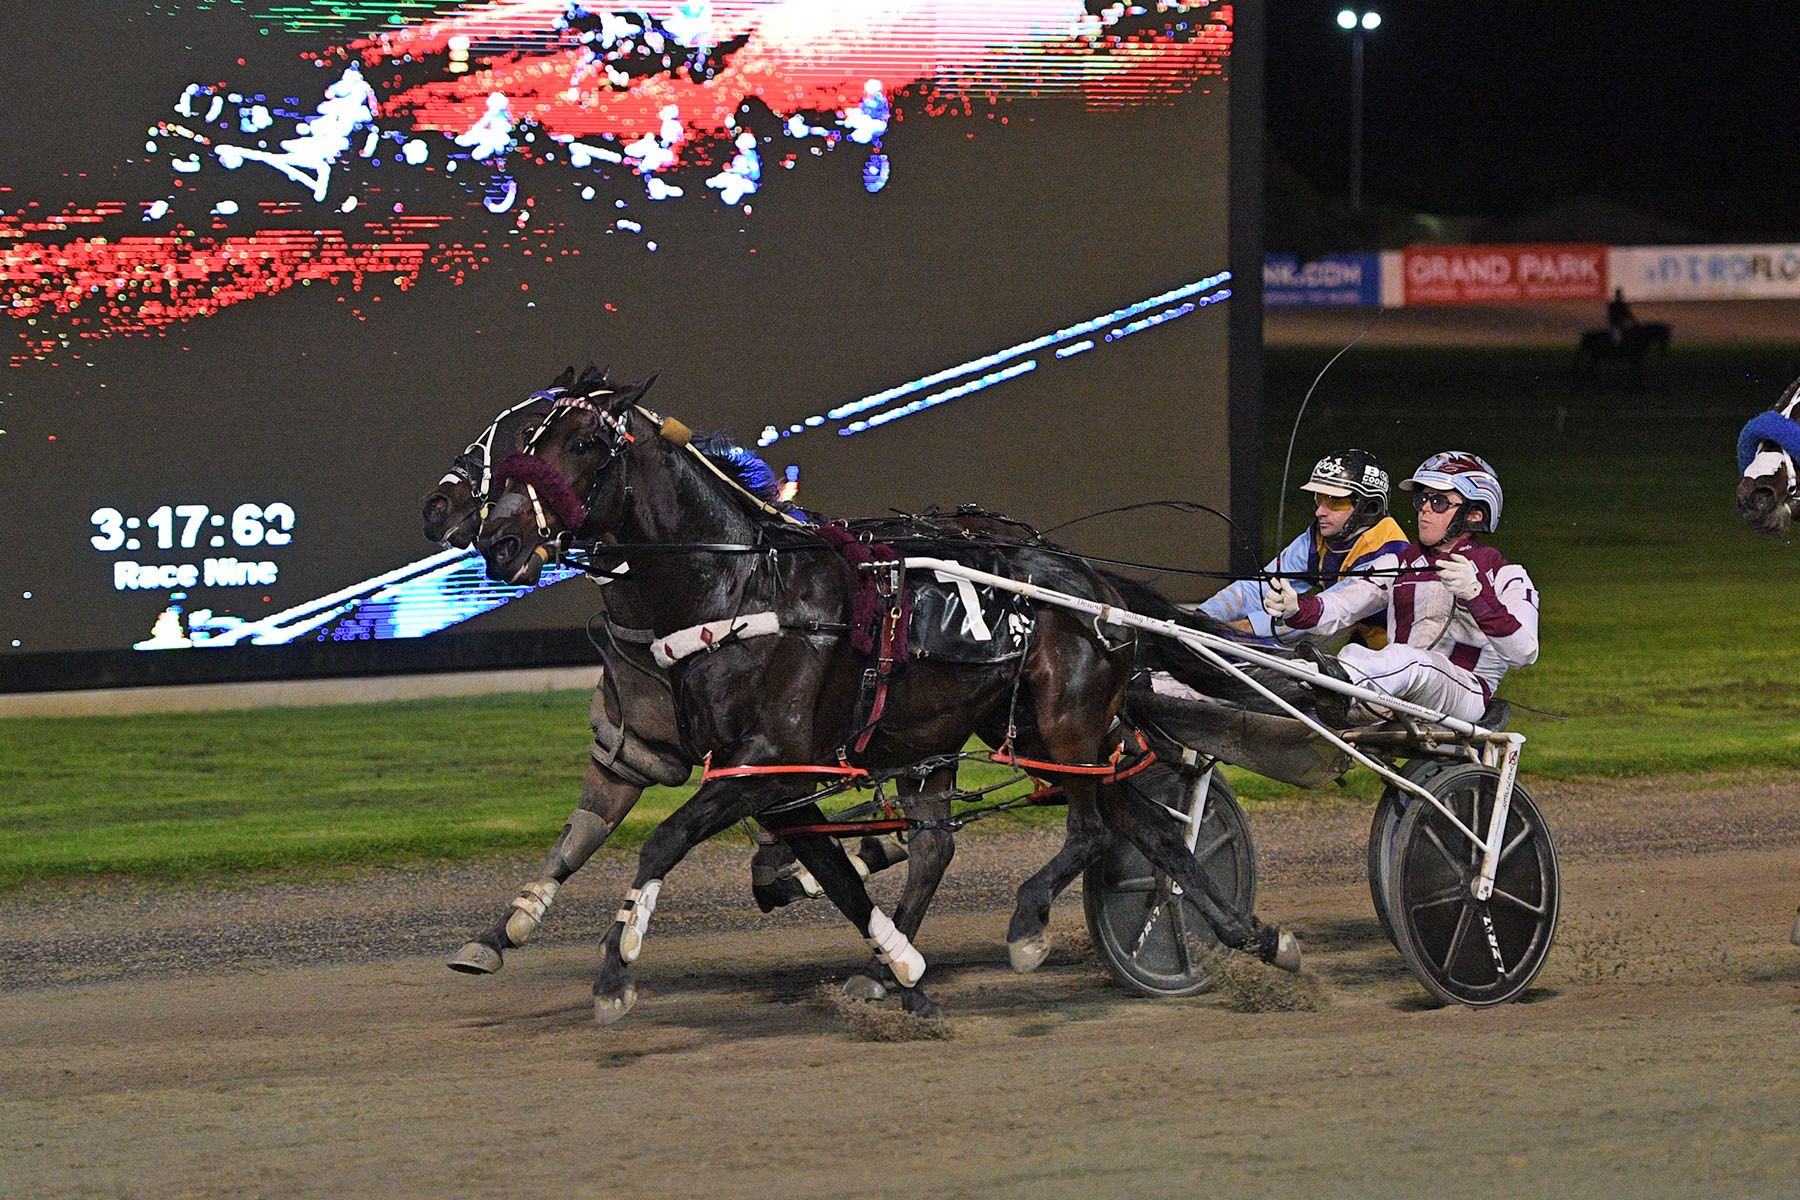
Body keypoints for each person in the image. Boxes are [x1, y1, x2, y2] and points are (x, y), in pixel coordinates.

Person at [1264, 451, 1538, 726]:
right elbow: (1342, 604)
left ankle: (1333, 681)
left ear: (1475, 514)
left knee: (1413, 662)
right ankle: (1320, 681)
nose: (1424, 509)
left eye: (1439, 502)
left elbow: (1524, 653)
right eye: (1422, 500)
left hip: (1466, 693)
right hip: (1396, 687)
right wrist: (1296, 608)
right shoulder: (1397, 564)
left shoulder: (1506, 574)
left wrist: (1476, 595)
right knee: (1357, 654)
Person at [1200, 449, 1407, 647]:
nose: (1320, 512)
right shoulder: (1323, 535)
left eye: (1335, 501)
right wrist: (1203, 617)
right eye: (1319, 498)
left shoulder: (1389, 553)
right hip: (1344, 632)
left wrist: (1226, 632)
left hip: (1383, 649)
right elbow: (1259, 587)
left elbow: (1327, 613)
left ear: (1369, 507)